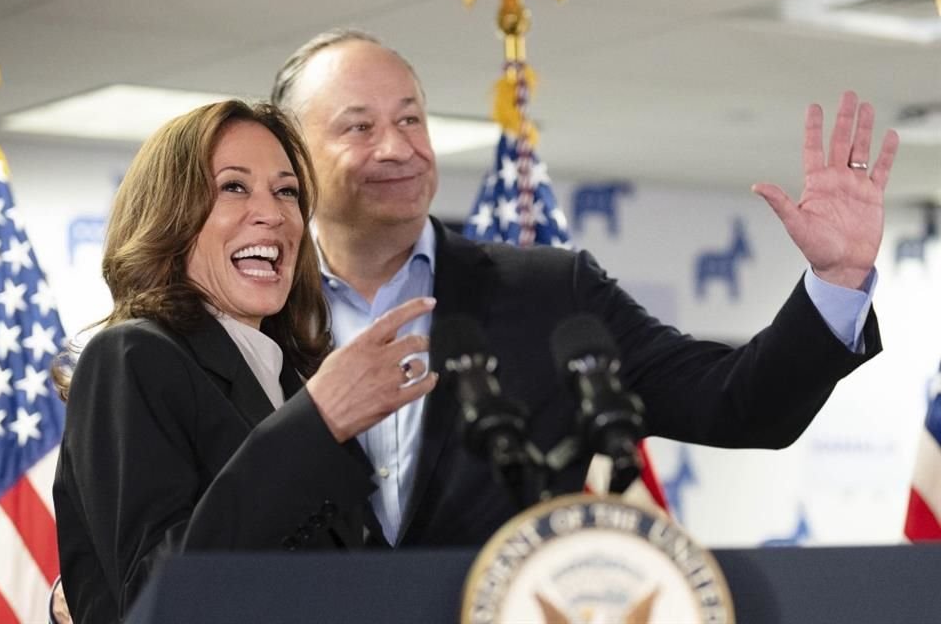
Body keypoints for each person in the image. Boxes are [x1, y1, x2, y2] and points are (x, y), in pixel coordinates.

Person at [268, 29, 899, 548]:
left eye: (410, 119)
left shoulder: (549, 295)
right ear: (294, 155)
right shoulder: (250, 311)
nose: (398, 147)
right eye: (358, 127)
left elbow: (737, 402)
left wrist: (837, 279)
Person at [52, 100, 437, 622]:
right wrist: (317, 422)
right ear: (171, 215)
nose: (273, 214)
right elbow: (153, 597)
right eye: (234, 186)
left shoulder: (289, 381)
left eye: (287, 192)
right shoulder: (131, 356)